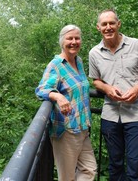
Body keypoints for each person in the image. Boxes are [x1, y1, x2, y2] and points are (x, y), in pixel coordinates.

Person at [88, 9, 138, 181]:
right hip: (110, 116)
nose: (108, 27)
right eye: (104, 24)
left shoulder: (137, 45)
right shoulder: (94, 53)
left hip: (137, 115)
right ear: (98, 27)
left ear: (119, 24)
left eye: (112, 23)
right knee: (115, 165)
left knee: (136, 166)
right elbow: (95, 81)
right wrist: (107, 88)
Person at [35, 24, 97, 181]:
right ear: (62, 41)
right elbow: (41, 89)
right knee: (67, 177)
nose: (74, 42)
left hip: (82, 127)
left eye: (77, 38)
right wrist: (58, 96)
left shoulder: (79, 61)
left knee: (89, 169)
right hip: (66, 130)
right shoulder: (56, 65)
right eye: (70, 38)